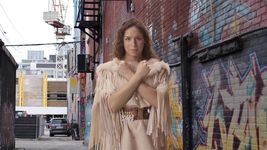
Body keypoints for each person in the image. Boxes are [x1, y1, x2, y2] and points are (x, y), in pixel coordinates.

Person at [89, 18, 171, 150]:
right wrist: (137, 76)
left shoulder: (156, 68)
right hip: (121, 132)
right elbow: (112, 105)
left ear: (144, 41)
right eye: (128, 39)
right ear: (122, 41)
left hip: (149, 131)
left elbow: (159, 101)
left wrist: (131, 75)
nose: (133, 43)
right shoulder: (109, 70)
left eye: (138, 38)